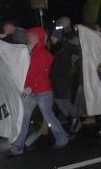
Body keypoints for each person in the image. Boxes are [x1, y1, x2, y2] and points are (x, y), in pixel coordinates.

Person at [7, 27, 68, 155]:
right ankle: (17, 146)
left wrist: (30, 87)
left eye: (32, 35)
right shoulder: (28, 53)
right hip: (29, 91)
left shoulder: (44, 54)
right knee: (23, 118)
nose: (29, 37)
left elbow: (42, 74)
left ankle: (62, 139)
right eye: (29, 35)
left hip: (42, 92)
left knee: (49, 117)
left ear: (39, 37)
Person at [49, 29, 75, 124]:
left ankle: (75, 119)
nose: (51, 37)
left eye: (53, 36)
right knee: (58, 100)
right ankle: (65, 116)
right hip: (56, 80)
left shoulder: (65, 50)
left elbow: (63, 66)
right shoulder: (56, 49)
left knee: (65, 102)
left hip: (63, 80)